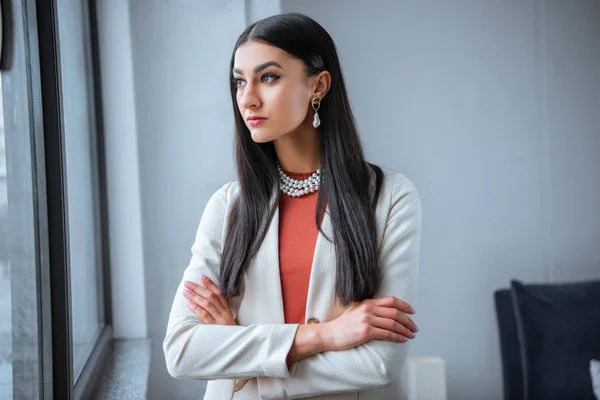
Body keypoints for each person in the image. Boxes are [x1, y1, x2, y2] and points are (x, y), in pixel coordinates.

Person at [163, 12, 422, 400]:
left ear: (318, 85)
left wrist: (241, 360)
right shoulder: (228, 207)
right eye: (239, 81)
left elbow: (379, 364)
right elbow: (182, 351)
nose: (247, 97)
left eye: (268, 77)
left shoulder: (389, 198)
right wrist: (323, 335)